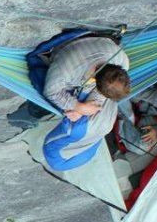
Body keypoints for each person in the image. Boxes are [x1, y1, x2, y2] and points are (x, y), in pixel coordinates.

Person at [41, 36, 132, 170]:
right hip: (67, 45)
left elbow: (101, 91)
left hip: (96, 43)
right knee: (41, 107)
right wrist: (78, 107)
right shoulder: (67, 70)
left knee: (99, 120)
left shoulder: (122, 61)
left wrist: (84, 108)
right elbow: (50, 92)